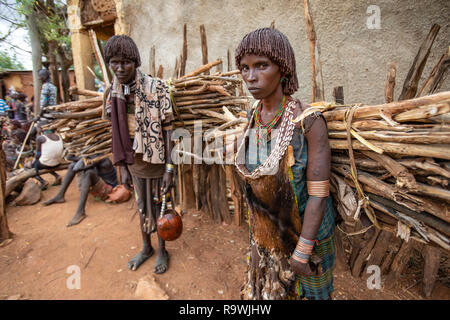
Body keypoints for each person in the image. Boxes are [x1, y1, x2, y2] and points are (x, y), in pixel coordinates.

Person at [234, 28, 336, 300]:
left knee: (310, 295)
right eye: (245, 68)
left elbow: (318, 193)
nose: (251, 76)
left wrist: (303, 250)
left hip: (308, 237)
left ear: (283, 68)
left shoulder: (308, 122)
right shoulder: (253, 117)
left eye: (261, 66)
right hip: (269, 234)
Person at [103, 35, 175, 274]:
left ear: (136, 62)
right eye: (114, 62)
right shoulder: (113, 92)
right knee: (141, 205)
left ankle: (162, 249)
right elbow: (116, 133)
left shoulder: (157, 88)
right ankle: (146, 248)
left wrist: (169, 168)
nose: (120, 68)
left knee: (160, 207)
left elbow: (168, 130)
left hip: (156, 161)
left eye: (126, 62)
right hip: (133, 162)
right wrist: (122, 167)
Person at [43, 155, 130, 227]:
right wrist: (75, 159)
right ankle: (60, 195)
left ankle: (80, 211)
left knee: (88, 173)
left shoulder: (104, 161)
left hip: (108, 189)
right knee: (72, 165)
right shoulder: (97, 158)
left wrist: (77, 161)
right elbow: (84, 160)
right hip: (100, 181)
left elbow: (80, 168)